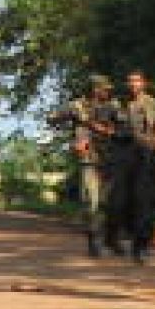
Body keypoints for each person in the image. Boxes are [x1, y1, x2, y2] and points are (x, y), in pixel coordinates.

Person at [103, 69, 155, 263]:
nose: (133, 84)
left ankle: (141, 246)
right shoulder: (116, 104)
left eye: (136, 81)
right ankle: (112, 238)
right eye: (130, 81)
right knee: (118, 201)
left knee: (143, 202)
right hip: (122, 155)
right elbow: (104, 125)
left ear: (143, 83)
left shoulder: (154, 104)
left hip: (146, 156)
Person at [55, 75, 118, 256]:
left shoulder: (112, 106)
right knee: (91, 200)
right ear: (94, 89)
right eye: (103, 88)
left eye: (107, 88)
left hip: (109, 159)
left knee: (108, 202)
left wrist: (109, 130)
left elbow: (124, 127)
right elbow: (53, 118)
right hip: (89, 158)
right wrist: (72, 121)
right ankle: (94, 241)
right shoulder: (77, 105)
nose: (107, 91)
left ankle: (108, 240)